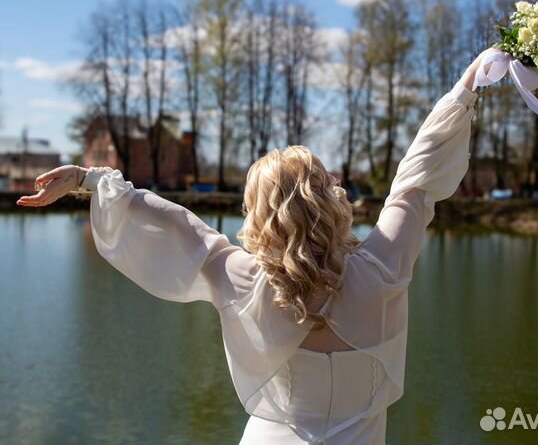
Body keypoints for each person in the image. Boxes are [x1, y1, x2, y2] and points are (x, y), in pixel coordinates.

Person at [17, 47, 502, 445]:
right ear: (327, 201)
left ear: (261, 215)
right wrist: (466, 87)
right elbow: (414, 183)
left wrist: (88, 179)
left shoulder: (242, 279)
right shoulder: (382, 269)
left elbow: (172, 223)